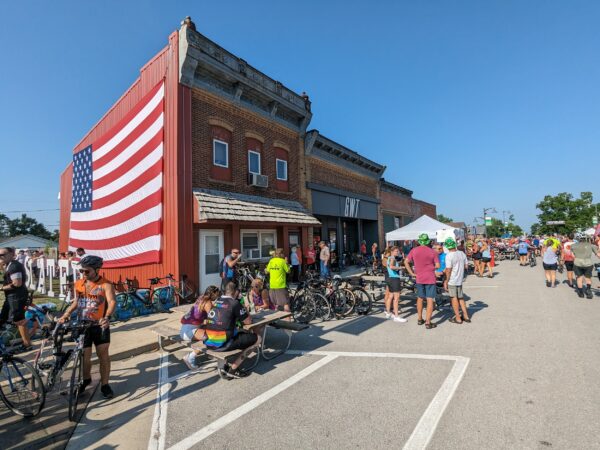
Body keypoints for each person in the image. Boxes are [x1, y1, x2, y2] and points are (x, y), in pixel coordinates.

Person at [58, 255, 116, 399]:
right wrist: (66, 314)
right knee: (85, 356)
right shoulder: (79, 283)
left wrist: (107, 317)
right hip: (82, 325)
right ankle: (86, 379)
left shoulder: (106, 284)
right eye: (82, 271)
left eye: (87, 271)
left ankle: (105, 385)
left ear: (97, 270)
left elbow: (112, 302)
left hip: (99, 325)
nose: (83, 274)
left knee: (103, 355)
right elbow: (77, 302)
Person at [203, 282, 258, 379]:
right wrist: (245, 308)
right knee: (258, 338)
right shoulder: (234, 303)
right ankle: (233, 369)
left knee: (240, 333)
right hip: (221, 343)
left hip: (208, 341)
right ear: (236, 292)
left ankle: (229, 365)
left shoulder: (217, 300)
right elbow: (248, 321)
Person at [0, 247, 33, 352]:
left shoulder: (14, 266)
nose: (0, 257)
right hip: (12, 296)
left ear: (11, 254)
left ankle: (27, 344)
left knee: (19, 320)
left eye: (2, 255)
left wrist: (1, 288)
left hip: (16, 296)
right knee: (3, 318)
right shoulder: (10, 265)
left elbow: (17, 283)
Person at [404, 233, 440, 329]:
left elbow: (406, 261)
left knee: (420, 298)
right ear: (428, 241)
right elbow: (437, 266)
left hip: (419, 277)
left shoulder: (414, 250)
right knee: (429, 299)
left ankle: (419, 319)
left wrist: (411, 273)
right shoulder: (433, 252)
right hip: (430, 277)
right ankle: (428, 322)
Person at [180, 286, 220, 370]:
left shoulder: (201, 297)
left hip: (186, 328)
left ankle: (211, 352)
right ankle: (190, 357)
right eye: (216, 294)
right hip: (189, 331)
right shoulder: (208, 303)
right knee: (211, 337)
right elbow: (213, 319)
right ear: (212, 294)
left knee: (210, 331)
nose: (217, 296)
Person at [443, 238, 470, 324]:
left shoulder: (449, 255)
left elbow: (448, 270)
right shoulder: (461, 253)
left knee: (454, 298)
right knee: (461, 298)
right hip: (460, 279)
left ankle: (458, 318)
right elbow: (466, 266)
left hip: (453, 280)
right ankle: (466, 316)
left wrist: (446, 281)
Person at [384, 246, 407, 323]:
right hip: (394, 278)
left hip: (390, 278)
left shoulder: (389, 258)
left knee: (390, 296)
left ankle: (388, 313)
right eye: (396, 251)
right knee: (396, 298)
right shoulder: (392, 258)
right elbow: (391, 266)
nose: (397, 252)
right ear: (392, 251)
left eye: (398, 251)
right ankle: (396, 316)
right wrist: (400, 268)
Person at [265, 248, 291, 313]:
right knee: (285, 304)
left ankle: (277, 320)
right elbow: (288, 271)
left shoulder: (271, 261)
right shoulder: (282, 261)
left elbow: (267, 272)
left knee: (275, 304)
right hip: (280, 285)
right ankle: (288, 321)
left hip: (272, 285)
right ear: (282, 254)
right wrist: (287, 262)